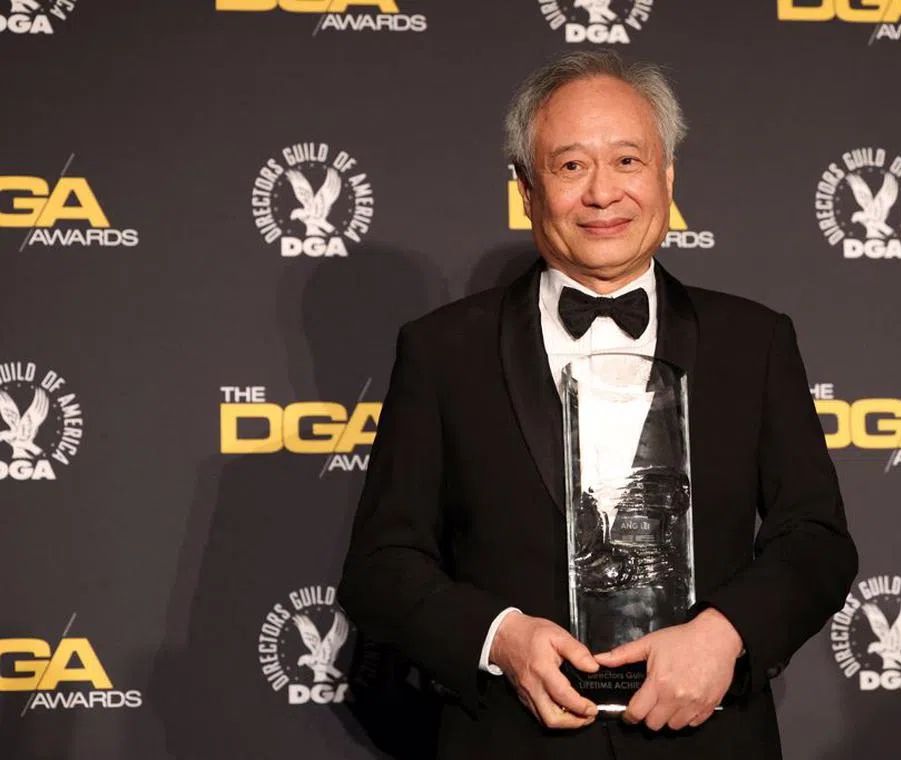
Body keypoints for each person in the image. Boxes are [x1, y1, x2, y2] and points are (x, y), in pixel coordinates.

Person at [338, 50, 857, 759]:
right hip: (514, 742)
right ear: (526, 189)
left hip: (708, 739)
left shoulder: (754, 341)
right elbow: (380, 565)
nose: (602, 193)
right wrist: (499, 637)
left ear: (667, 177)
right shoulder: (442, 351)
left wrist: (725, 633)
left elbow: (816, 538)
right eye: (571, 165)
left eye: (627, 161)